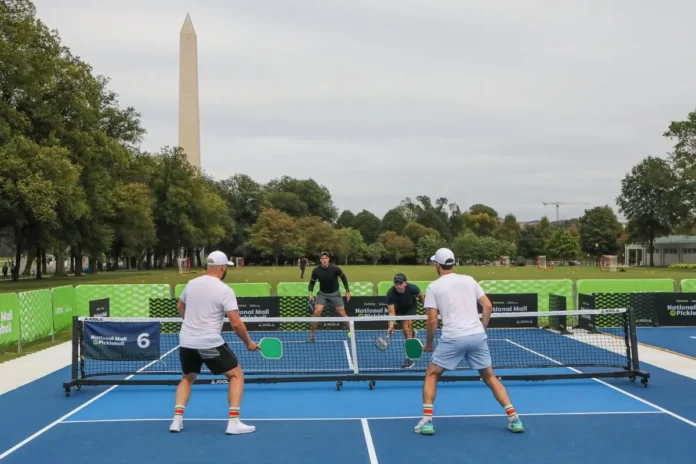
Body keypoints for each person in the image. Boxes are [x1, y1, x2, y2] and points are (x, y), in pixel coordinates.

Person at [414, 248, 524, 435]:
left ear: (437, 265)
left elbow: (432, 320)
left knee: (432, 374)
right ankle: (515, 419)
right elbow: (488, 305)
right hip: (477, 336)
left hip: (453, 337)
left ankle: (427, 421)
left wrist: (429, 343)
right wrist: (482, 328)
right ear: (453, 263)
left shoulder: (433, 287)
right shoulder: (470, 280)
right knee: (490, 377)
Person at [169, 251, 259, 435]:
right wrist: (248, 342)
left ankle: (176, 420)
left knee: (188, 377)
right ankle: (233, 422)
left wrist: (189, 323)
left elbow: (180, 305)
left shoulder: (192, 283)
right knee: (236, 375)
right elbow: (235, 322)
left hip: (186, 341)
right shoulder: (225, 290)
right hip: (209, 343)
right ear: (222, 267)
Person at [307, 251, 351, 342]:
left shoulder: (335, 269)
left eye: (326, 258)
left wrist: (347, 291)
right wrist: (310, 293)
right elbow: (312, 283)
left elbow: (344, 278)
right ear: (320, 260)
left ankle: (352, 332)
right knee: (316, 312)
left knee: (342, 313)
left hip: (335, 293)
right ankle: (312, 336)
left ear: (328, 259)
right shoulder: (316, 270)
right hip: (322, 294)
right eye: (322, 258)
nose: (324, 260)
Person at [386, 273, 424, 368]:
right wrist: (391, 325)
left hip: (410, 308)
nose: (398, 285)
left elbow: (420, 295)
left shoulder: (412, 288)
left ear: (405, 283)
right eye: (396, 283)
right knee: (406, 330)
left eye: (400, 283)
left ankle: (410, 358)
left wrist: (426, 307)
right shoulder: (390, 293)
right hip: (398, 311)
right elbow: (391, 313)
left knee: (405, 328)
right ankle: (412, 334)